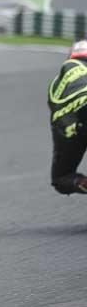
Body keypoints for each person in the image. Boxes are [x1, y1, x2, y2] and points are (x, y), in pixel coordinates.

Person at [48, 40, 87, 194]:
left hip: (69, 126)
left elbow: (58, 121)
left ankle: (81, 182)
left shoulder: (57, 84)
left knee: (62, 178)